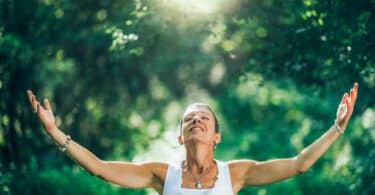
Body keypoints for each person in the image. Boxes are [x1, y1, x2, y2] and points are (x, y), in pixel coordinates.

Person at [26, 83, 358, 195]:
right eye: (189, 118)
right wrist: (55, 132)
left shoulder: (237, 173)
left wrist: (338, 127)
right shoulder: (160, 174)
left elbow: (299, 164)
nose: (195, 120)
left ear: (216, 136)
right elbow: (98, 168)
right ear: (180, 134)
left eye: (203, 118)